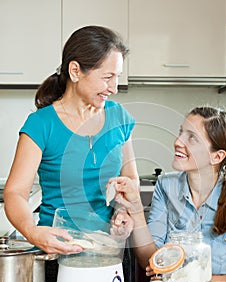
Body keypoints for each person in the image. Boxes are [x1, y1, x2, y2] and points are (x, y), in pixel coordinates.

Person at [4, 25, 138, 255]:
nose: (114, 88)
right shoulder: (41, 124)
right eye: (107, 77)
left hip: (107, 253)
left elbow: (130, 179)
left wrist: (122, 213)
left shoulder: (119, 118)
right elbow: (15, 193)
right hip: (56, 253)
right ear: (75, 71)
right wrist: (32, 231)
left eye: (117, 77)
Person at [114, 106, 226, 282]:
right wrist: (136, 211)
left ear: (217, 157)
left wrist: (189, 277)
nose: (178, 141)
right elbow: (150, 261)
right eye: (181, 132)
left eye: (192, 138)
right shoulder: (166, 186)